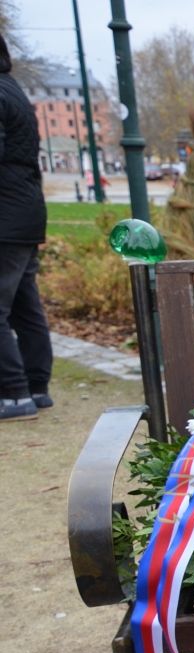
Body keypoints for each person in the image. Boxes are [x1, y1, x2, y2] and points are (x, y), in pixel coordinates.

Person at [0, 33, 54, 421]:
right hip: (24, 210)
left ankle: (14, 393)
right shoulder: (12, 89)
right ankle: (36, 387)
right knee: (24, 306)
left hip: (6, 213)